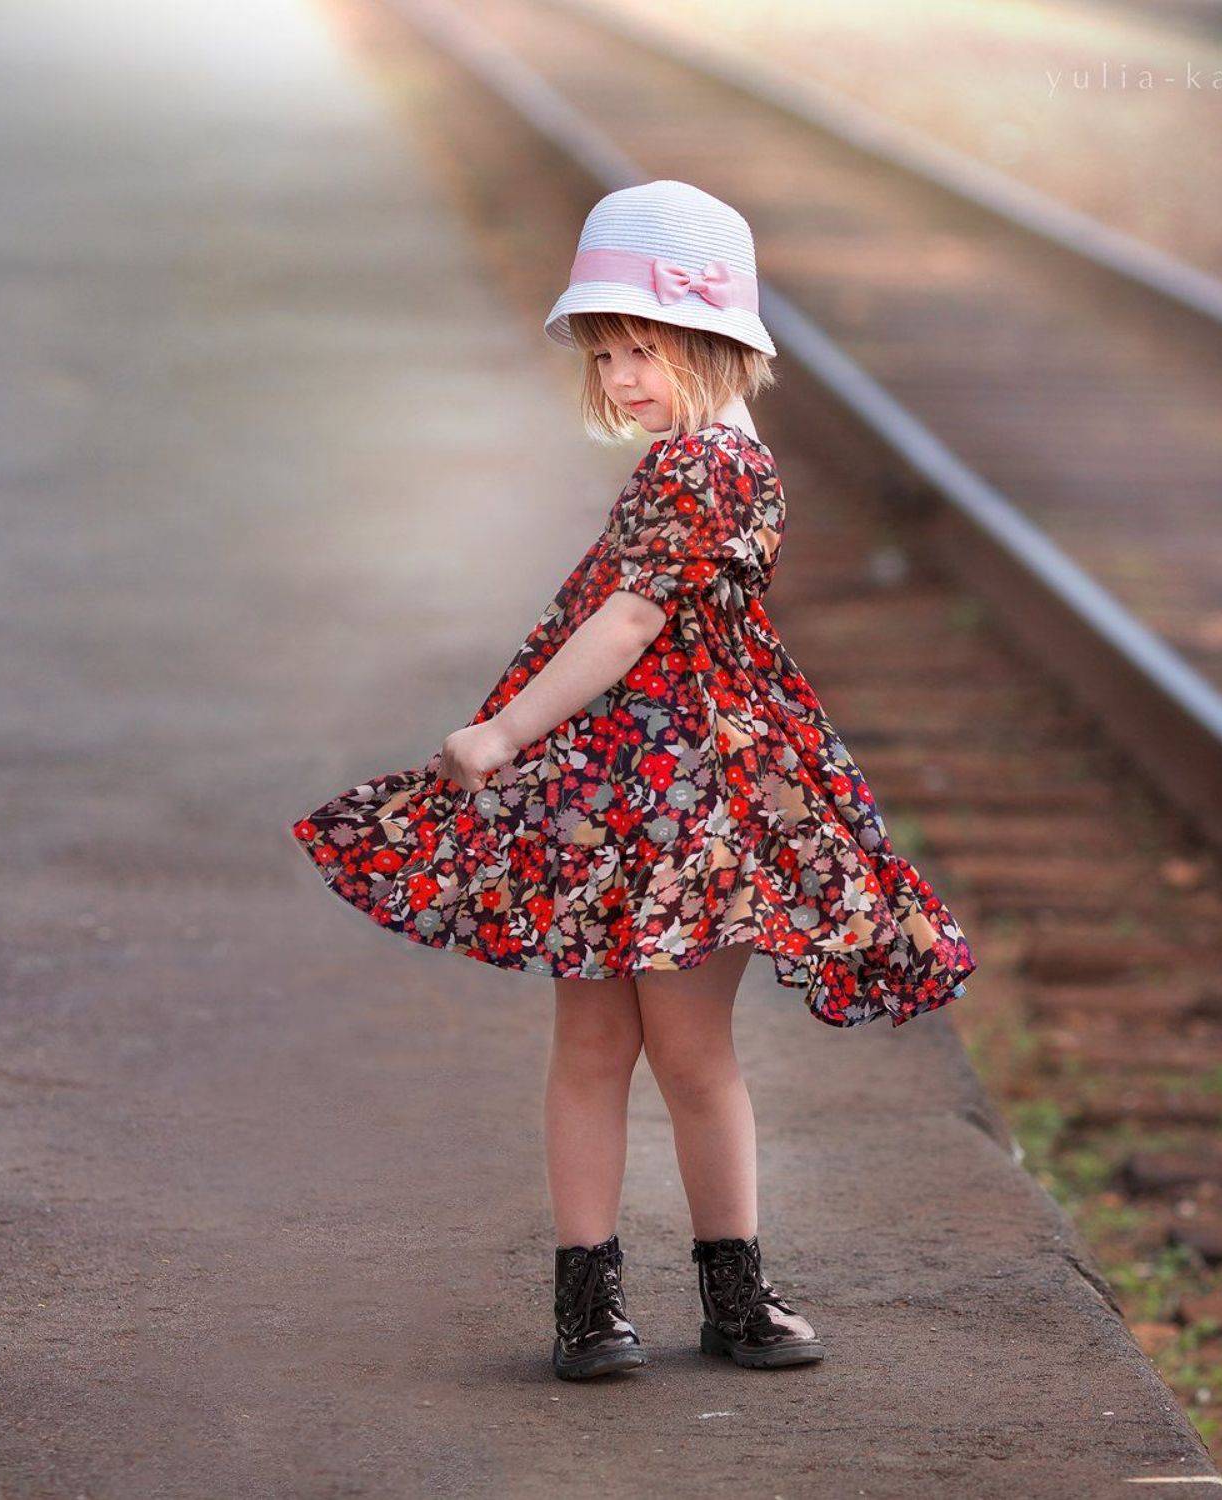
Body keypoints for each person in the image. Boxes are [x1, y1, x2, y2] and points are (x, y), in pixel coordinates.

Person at [289, 180, 977, 1381]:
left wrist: (501, 733)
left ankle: (723, 1289)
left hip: (689, 802)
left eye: (639, 351)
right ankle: (595, 1302)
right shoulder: (688, 457)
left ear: (711, 340)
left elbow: (625, 623)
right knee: (598, 1044)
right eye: (604, 356)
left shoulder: (710, 467)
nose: (617, 379)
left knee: (684, 1045)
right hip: (621, 794)